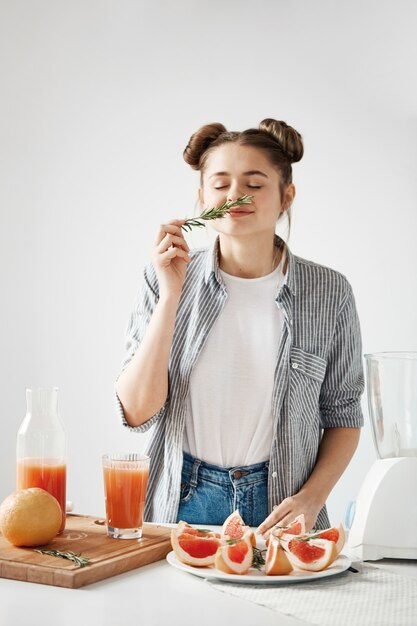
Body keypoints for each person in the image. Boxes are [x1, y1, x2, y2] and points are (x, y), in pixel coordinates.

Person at [115, 118, 364, 534]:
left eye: (254, 183)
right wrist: (172, 295)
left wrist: (312, 497)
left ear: (286, 196)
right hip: (179, 499)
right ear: (202, 197)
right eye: (220, 184)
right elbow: (137, 412)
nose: (235, 196)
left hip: (281, 505)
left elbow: (342, 415)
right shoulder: (161, 278)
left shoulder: (329, 292)